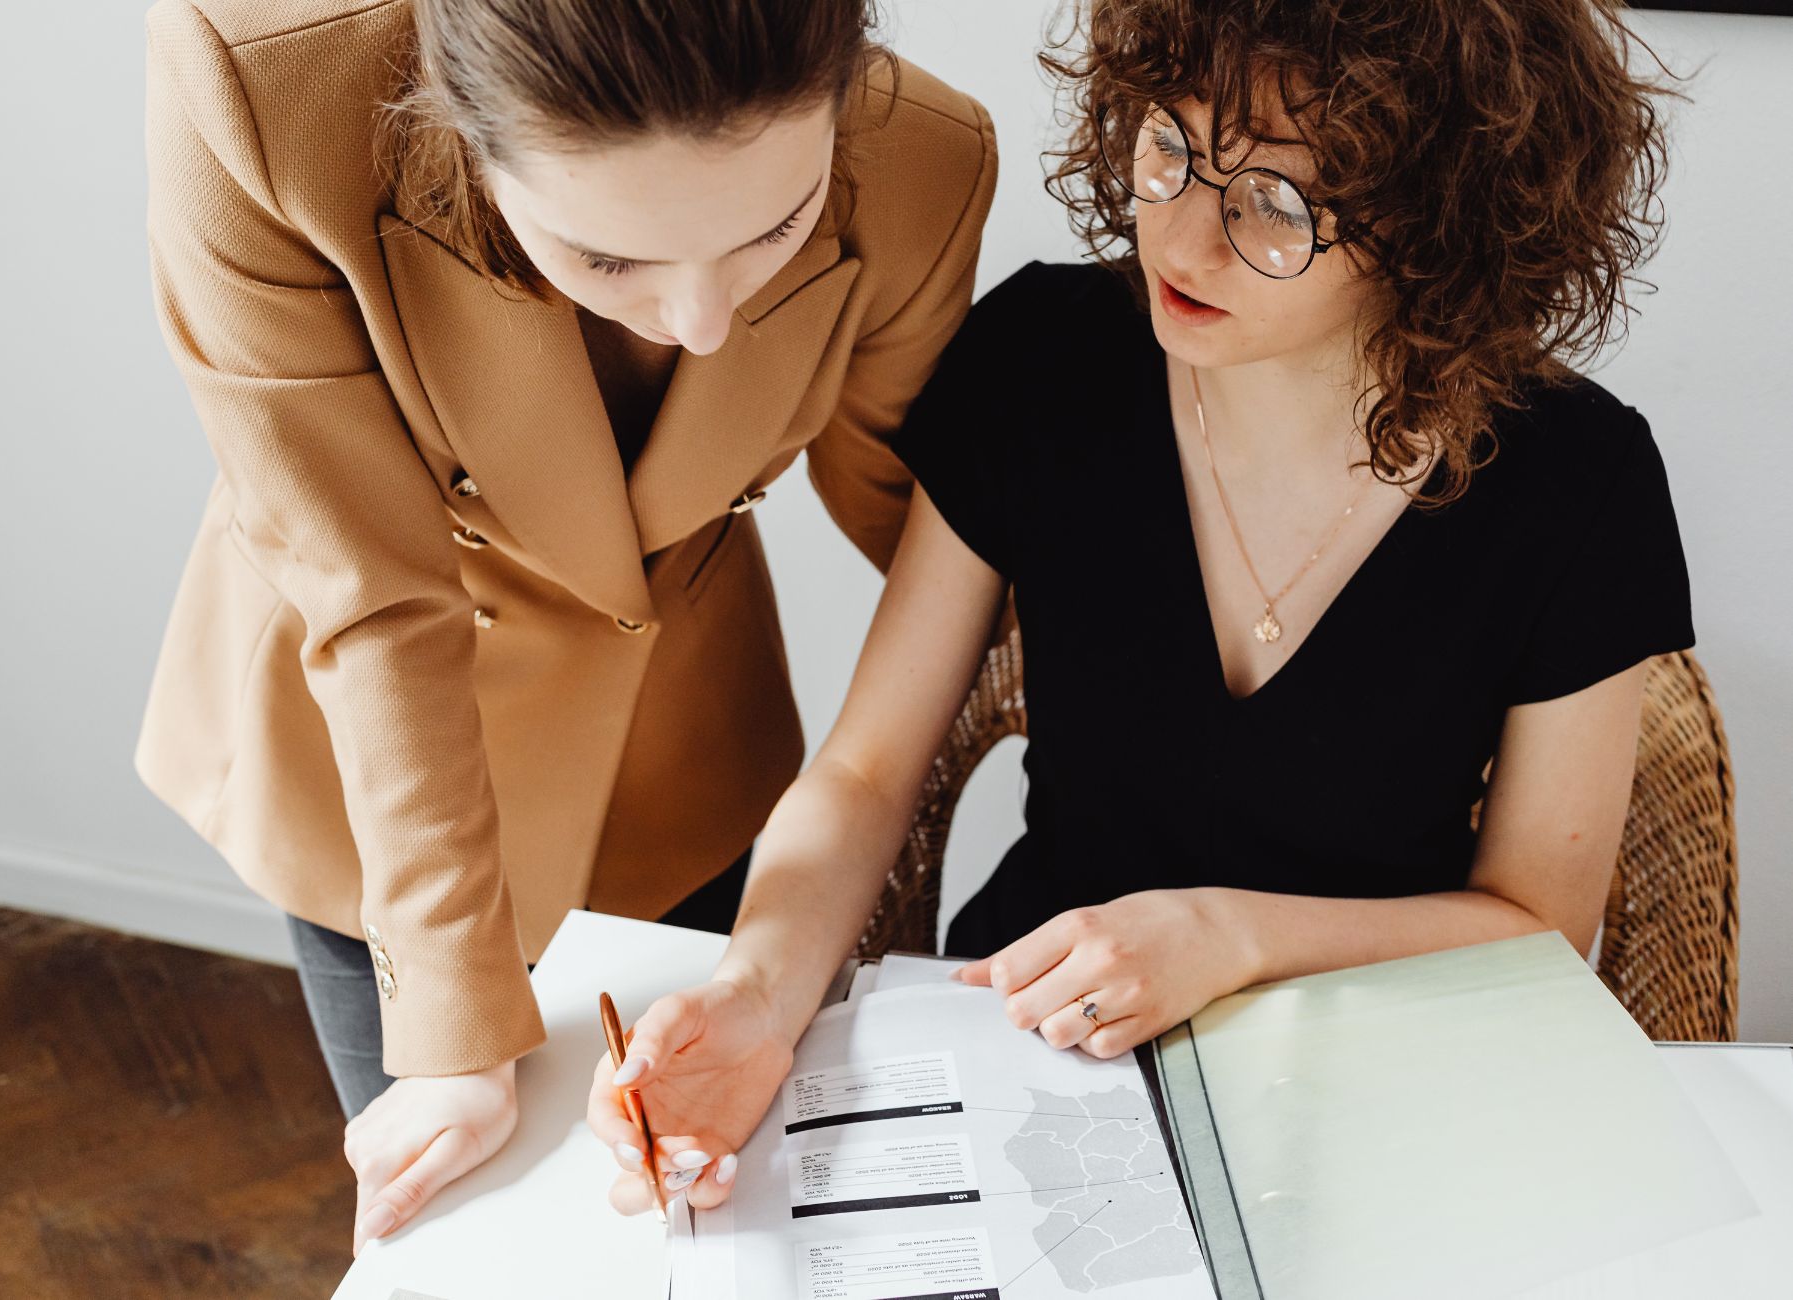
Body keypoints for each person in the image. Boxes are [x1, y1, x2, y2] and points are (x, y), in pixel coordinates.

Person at [586, 0, 1689, 1214]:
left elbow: (1534, 922)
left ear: (1438, 231)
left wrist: (1227, 935)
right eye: (1169, 146)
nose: (1181, 239)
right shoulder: (1045, 355)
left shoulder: (1574, 479)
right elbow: (863, 773)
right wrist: (751, 993)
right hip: (1027, 1036)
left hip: (1372, 1067)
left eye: (1274, 207)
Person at [135, 0, 997, 1253]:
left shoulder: (923, 162)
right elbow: (369, 588)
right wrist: (449, 1027)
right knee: (469, 1239)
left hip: (681, 744)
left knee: (698, 1223)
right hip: (373, 768)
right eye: (607, 261)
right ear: (461, 134)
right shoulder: (264, 95)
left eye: (772, 228)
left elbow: (917, 524)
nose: (700, 320)